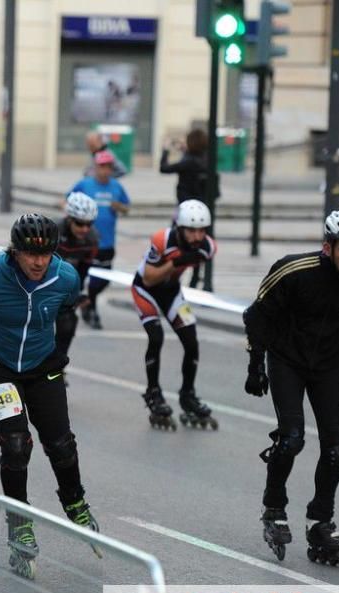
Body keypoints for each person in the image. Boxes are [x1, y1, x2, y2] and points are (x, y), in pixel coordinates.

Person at [0, 213, 100, 579]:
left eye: (46, 254)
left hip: (40, 364)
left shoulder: (65, 277)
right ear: (14, 251)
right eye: (29, 254)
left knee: (61, 444)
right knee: (16, 444)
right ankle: (19, 522)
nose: (38, 262)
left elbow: (66, 306)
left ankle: (74, 500)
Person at [243, 209, 339, 567]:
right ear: (328, 247)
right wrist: (255, 365)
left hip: (328, 368)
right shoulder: (294, 271)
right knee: (291, 439)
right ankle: (274, 507)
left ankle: (319, 521)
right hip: (287, 361)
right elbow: (257, 316)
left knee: (337, 450)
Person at [130, 199, 218, 431]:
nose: (197, 236)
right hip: (145, 290)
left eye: (201, 230)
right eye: (191, 230)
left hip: (171, 293)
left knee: (191, 341)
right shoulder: (161, 240)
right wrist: (174, 263)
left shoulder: (208, 247)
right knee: (156, 337)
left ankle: (188, 394)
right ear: (179, 227)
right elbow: (149, 278)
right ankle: (153, 393)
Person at [67, 151, 130, 329]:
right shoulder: (84, 185)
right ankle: (90, 309)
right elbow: (68, 201)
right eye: (102, 166)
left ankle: (88, 302)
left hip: (107, 243)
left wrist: (119, 207)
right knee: (84, 276)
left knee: (103, 279)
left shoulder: (117, 187)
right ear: (95, 168)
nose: (105, 170)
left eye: (108, 167)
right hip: (85, 243)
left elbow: (127, 208)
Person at [159, 128, 217, 289]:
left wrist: (165, 149)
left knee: (174, 240)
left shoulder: (188, 162)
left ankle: (171, 276)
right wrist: (186, 150)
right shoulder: (206, 159)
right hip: (203, 208)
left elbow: (164, 168)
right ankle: (195, 280)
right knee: (199, 243)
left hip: (185, 209)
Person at [54, 192, 99, 366]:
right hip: (39, 281)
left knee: (68, 324)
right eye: (80, 224)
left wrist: (80, 293)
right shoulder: (54, 232)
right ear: (69, 218)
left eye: (89, 224)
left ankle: (57, 367)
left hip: (64, 285)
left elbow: (83, 270)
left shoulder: (92, 238)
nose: (85, 229)